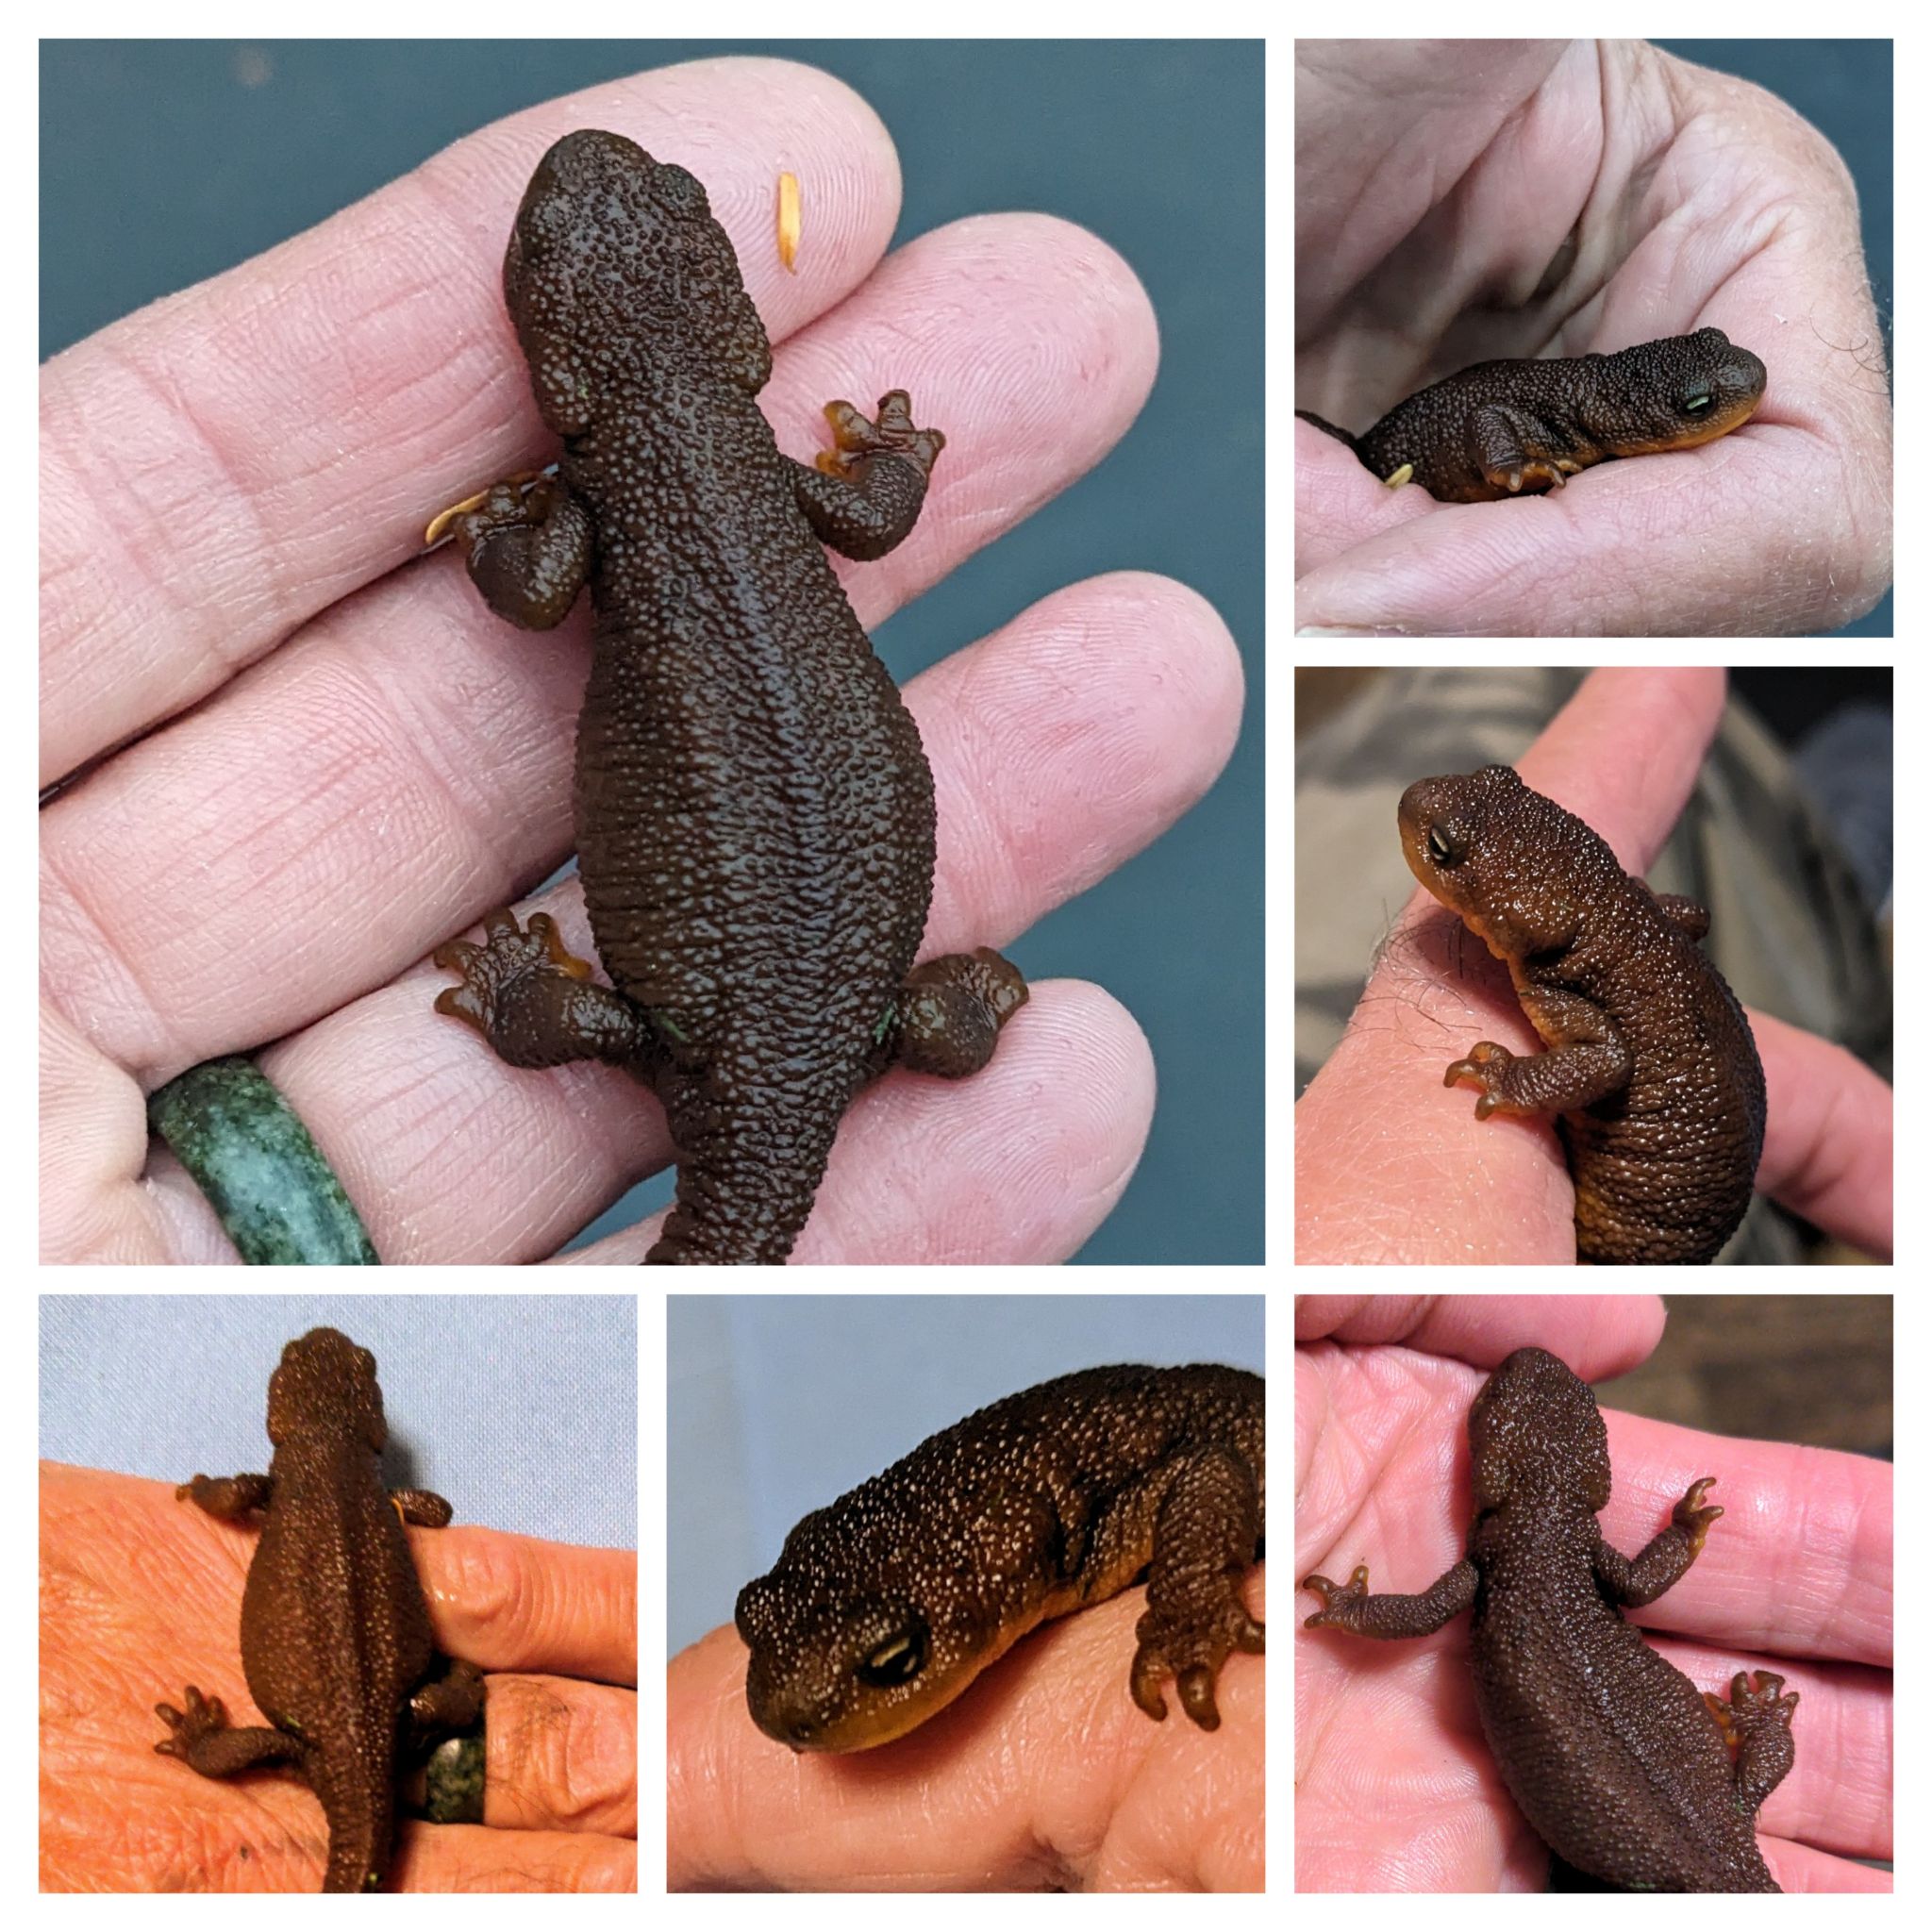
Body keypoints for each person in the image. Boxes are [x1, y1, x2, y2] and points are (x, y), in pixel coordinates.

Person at [40, 63, 1241, 1262]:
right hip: (816, 1012)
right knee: (834, 1022)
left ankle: (549, 1006)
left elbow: (527, 590)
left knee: (784, 1026)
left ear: (556, 369)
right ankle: (889, 1020)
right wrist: (896, 458)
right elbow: (875, 514)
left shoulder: (593, 496)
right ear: (732, 326)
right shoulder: (759, 466)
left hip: (786, 1017)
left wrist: (505, 524)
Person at [1295, 40, 1891, 636]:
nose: (1749, 379)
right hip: (1387, 456)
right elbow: (1486, 419)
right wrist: (1507, 467)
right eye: (1700, 407)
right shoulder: (1572, 416)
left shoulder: (1593, 407)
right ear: (1640, 424)